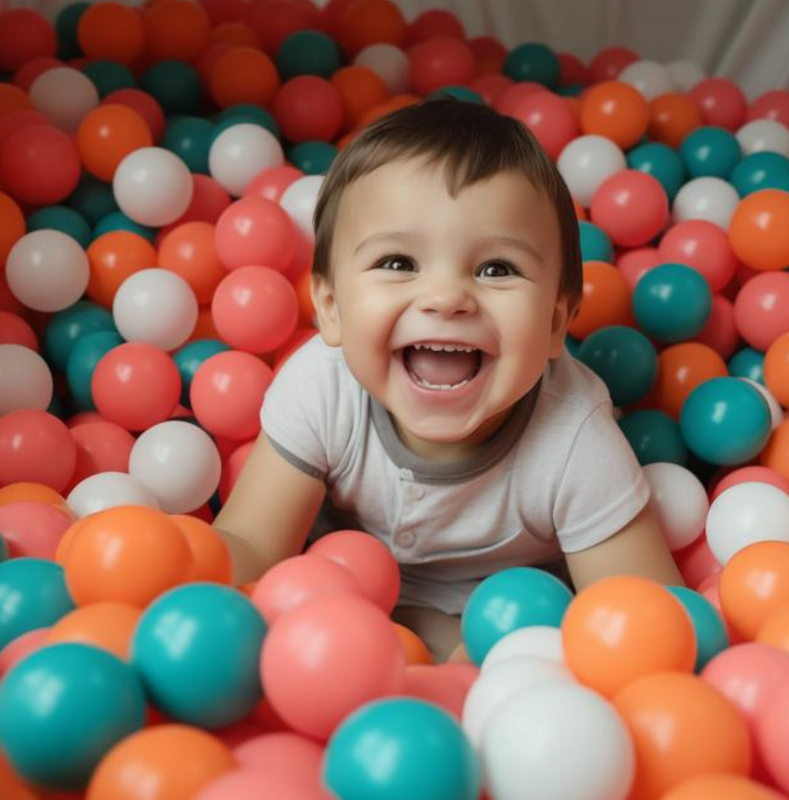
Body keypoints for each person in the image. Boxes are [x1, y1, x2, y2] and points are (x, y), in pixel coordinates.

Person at [214, 97, 684, 662]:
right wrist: (178, 572)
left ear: (556, 321)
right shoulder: (322, 386)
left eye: (496, 269)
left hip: (511, 625)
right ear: (332, 307)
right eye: (398, 262)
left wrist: (506, 658)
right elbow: (250, 545)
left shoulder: (573, 436)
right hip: (335, 601)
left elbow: (648, 617)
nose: (446, 298)